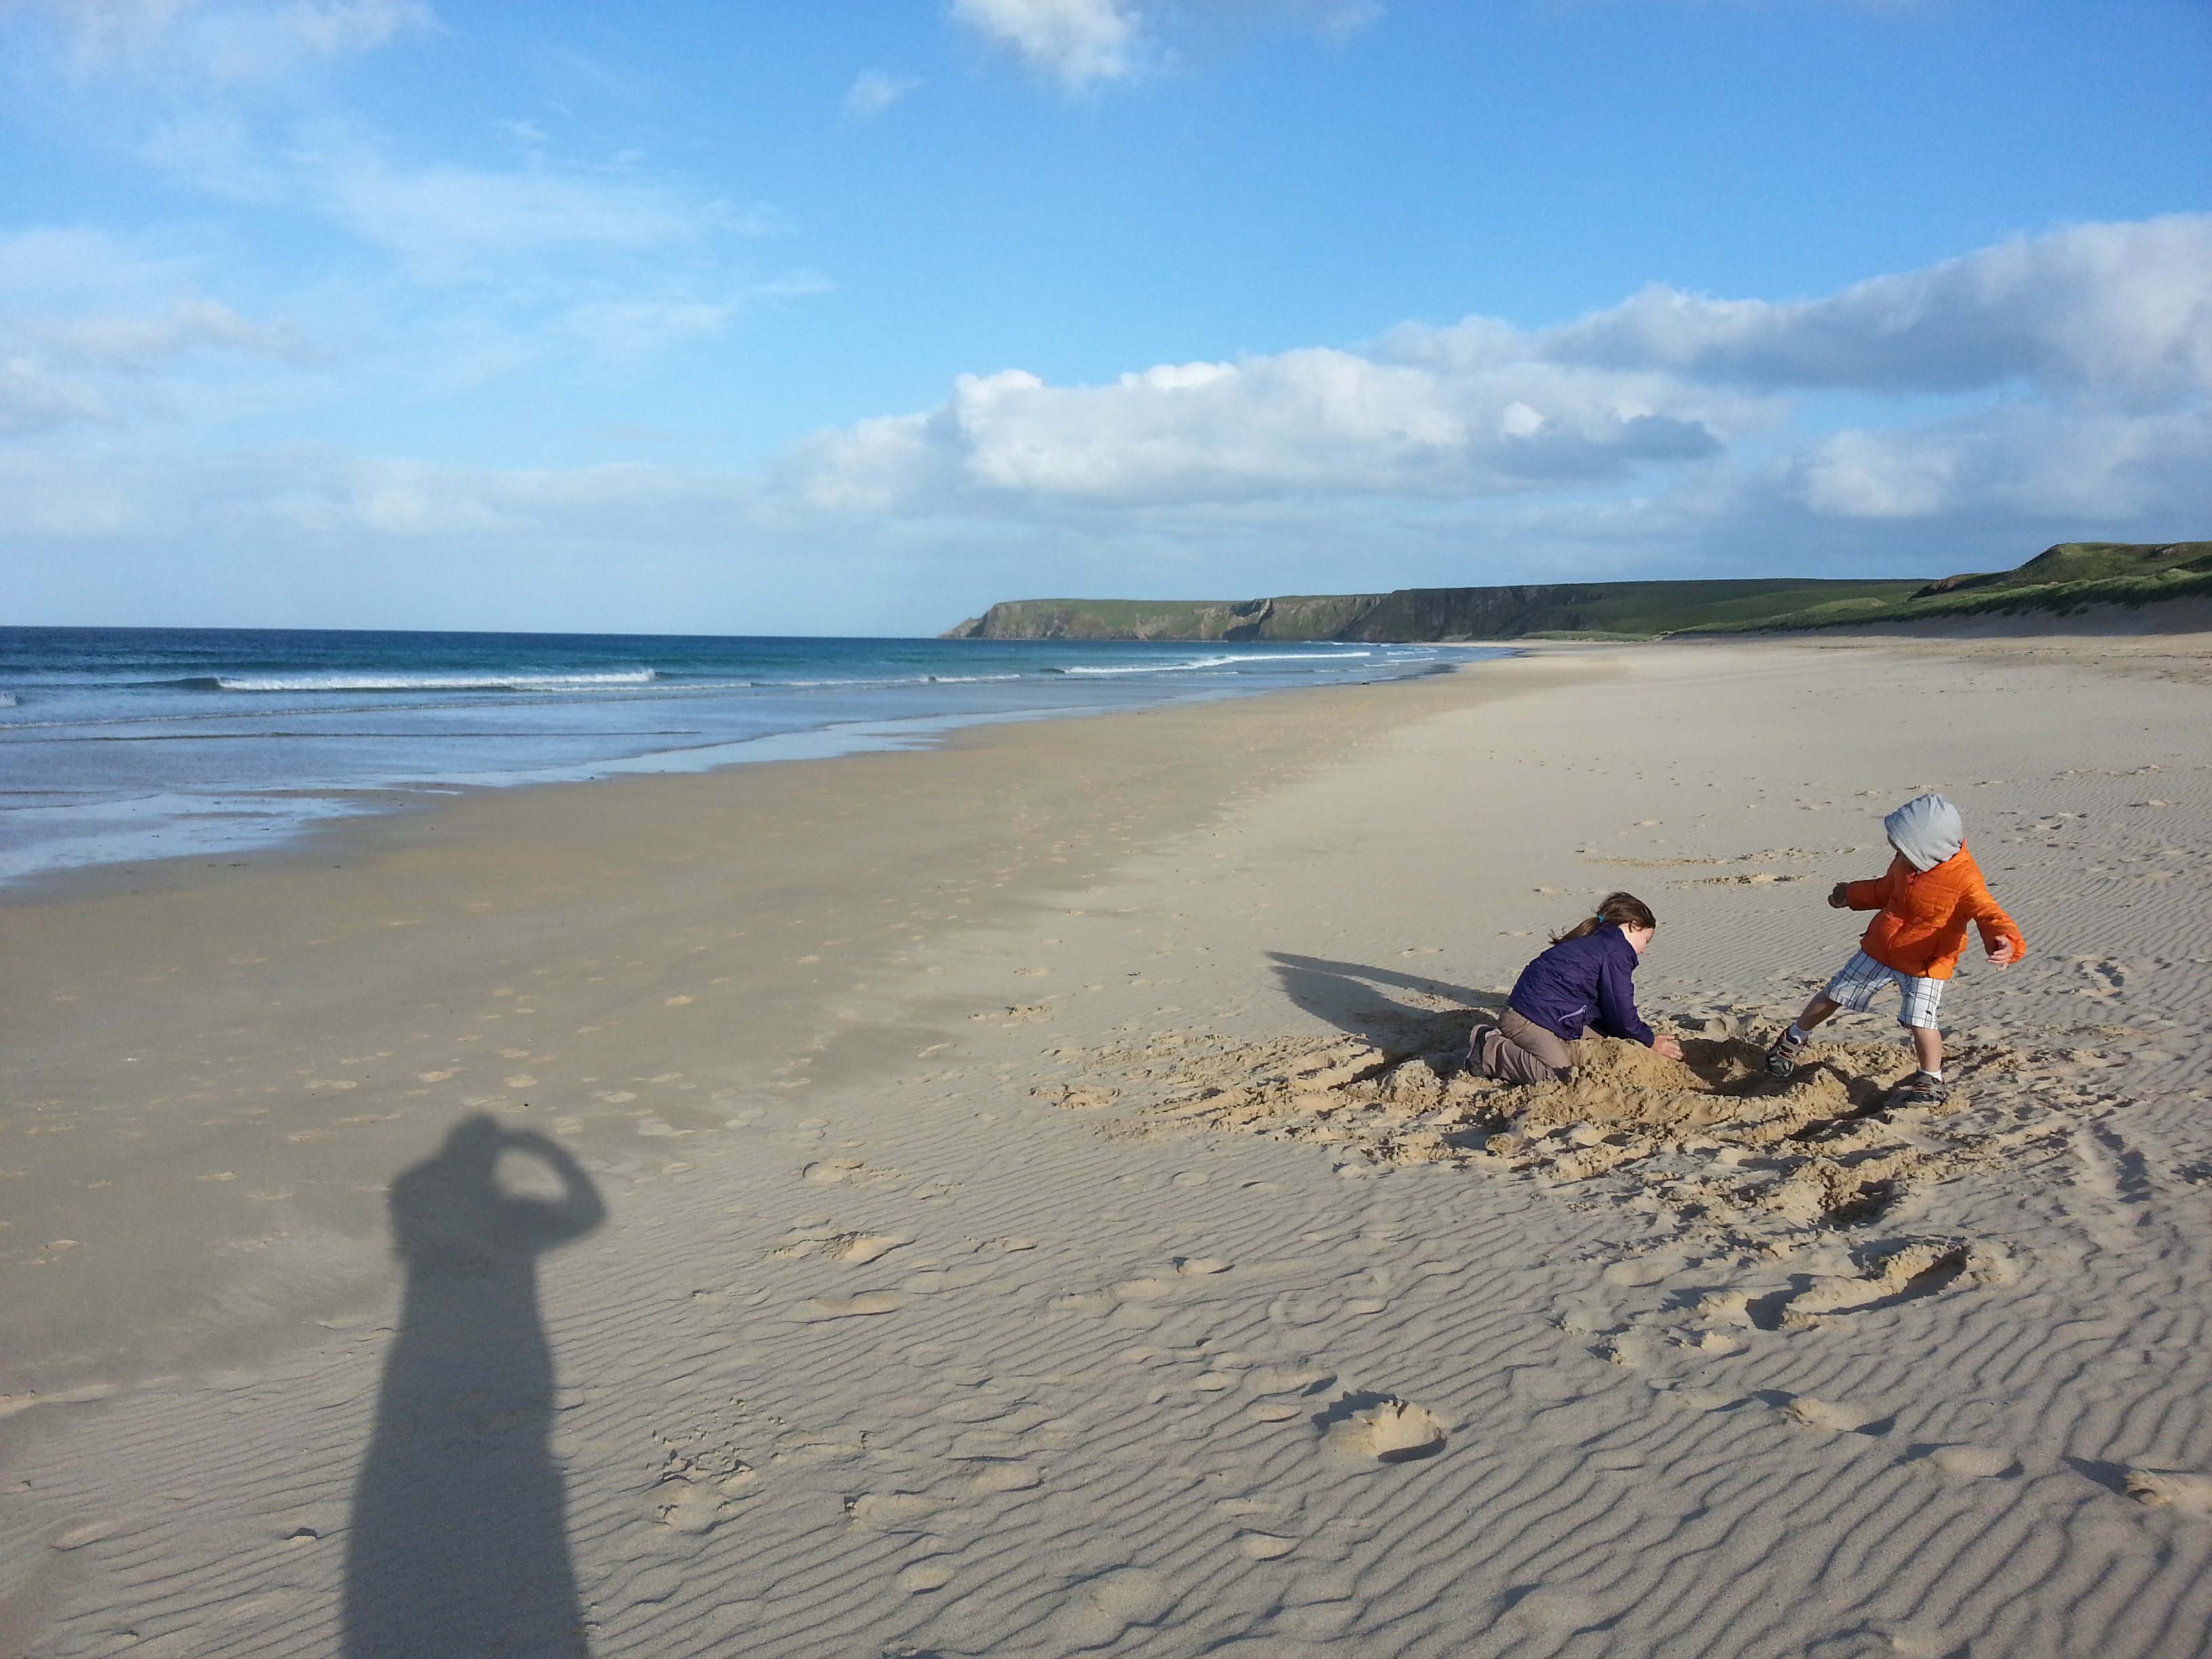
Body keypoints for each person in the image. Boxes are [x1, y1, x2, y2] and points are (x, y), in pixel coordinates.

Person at [1764, 792, 2024, 1107]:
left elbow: (1989, 913)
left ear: (1930, 847)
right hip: (1882, 947)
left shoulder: (1966, 880)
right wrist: (1851, 895)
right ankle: (1792, 1039)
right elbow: (1884, 891)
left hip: (1927, 960)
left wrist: (2005, 940)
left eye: (1904, 848)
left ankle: (1931, 1079)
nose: (1899, 854)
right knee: (1835, 993)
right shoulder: (1906, 865)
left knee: (1922, 1020)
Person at [1469, 891, 1683, 1085]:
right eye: (1646, 940)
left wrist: (1638, 1037)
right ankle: (1490, 1050)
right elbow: (1620, 1011)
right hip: (1529, 1020)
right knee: (1559, 1078)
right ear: (1633, 925)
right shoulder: (1617, 951)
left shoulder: (1597, 941)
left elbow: (1605, 1009)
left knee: (1610, 1043)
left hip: (1553, 1016)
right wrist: (1650, 1040)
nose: (1644, 950)